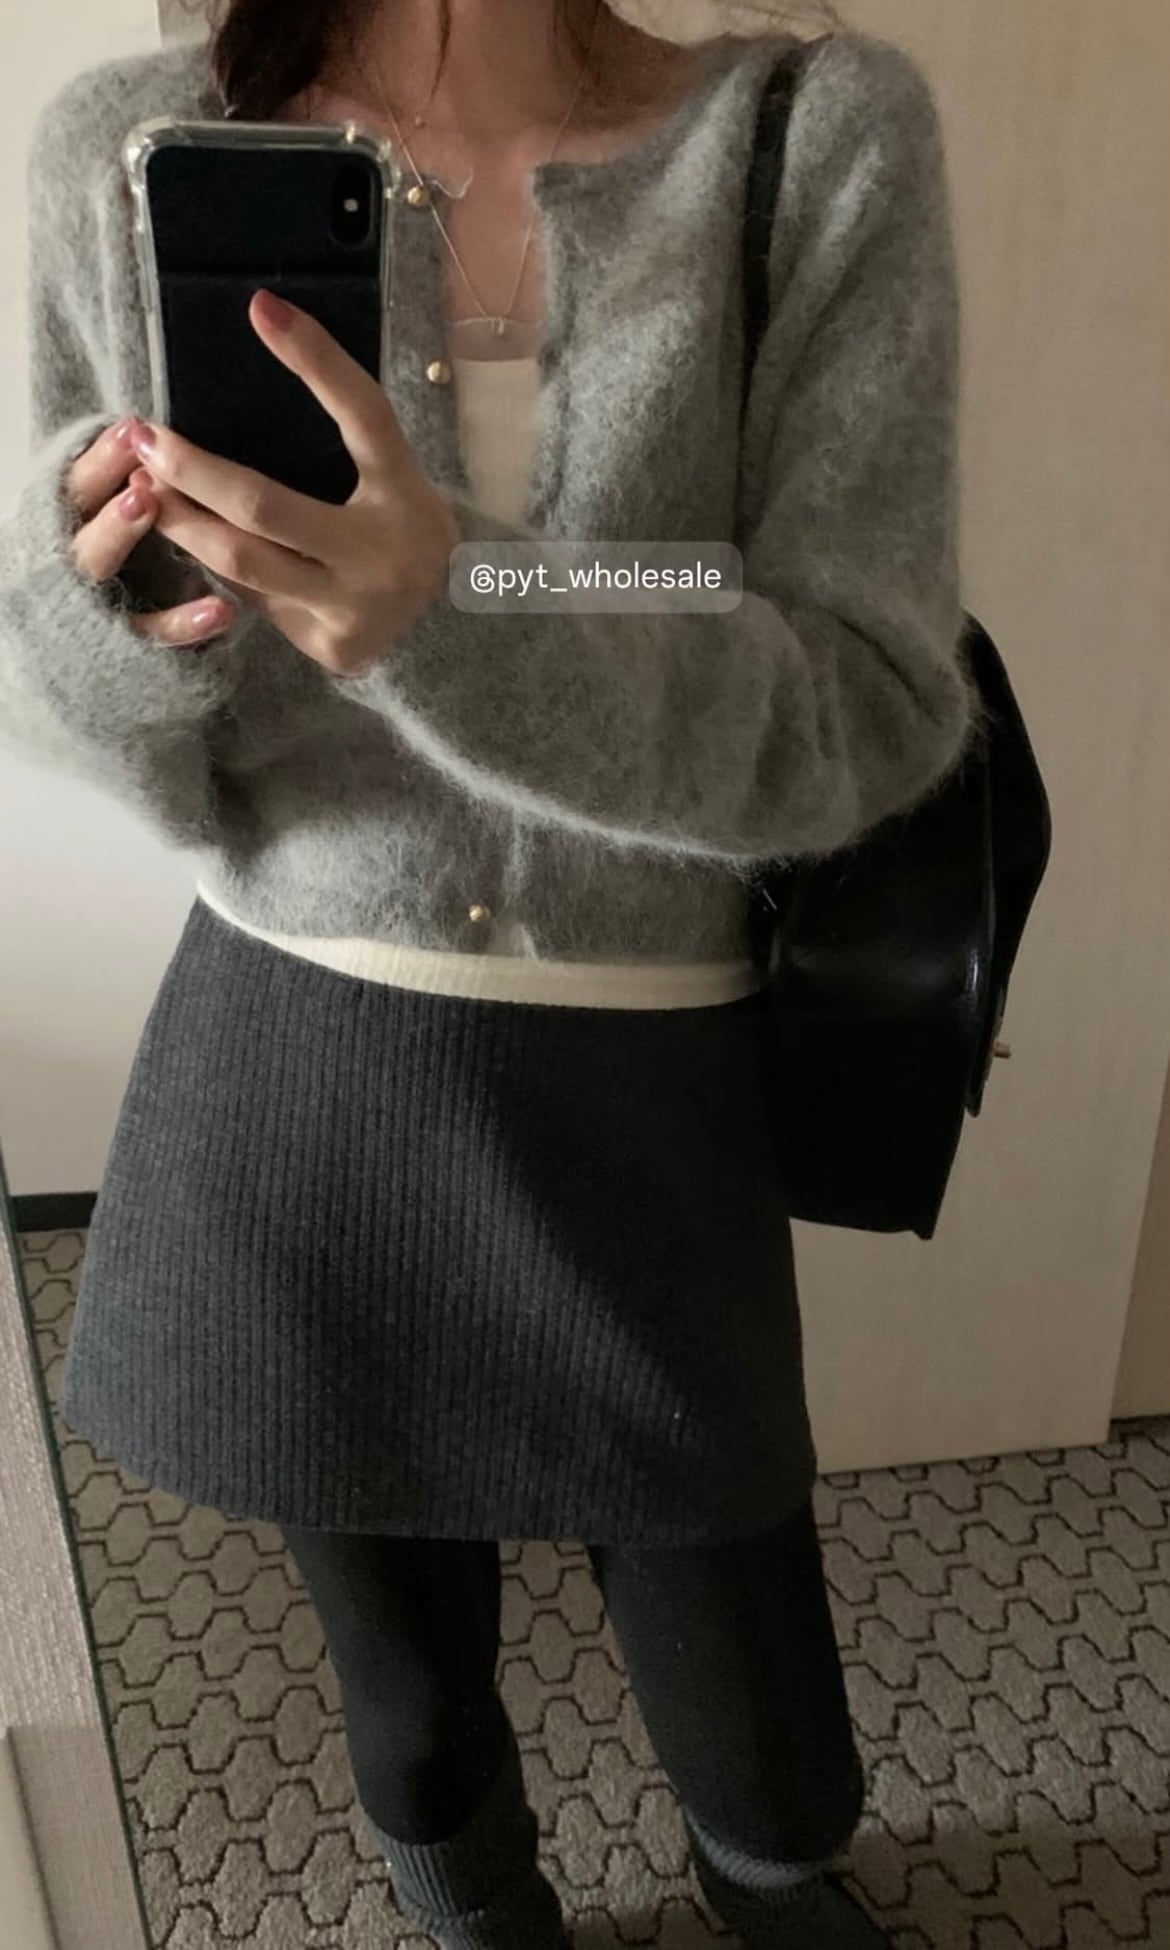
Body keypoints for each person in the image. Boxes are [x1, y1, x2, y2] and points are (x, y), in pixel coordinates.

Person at [0, 2, 979, 1943]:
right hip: (291, 1059)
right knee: (406, 1687)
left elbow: (861, 691)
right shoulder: (125, 149)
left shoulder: (807, 133)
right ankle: (473, 1911)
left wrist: (454, 602)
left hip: (647, 1087)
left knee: (755, 1713)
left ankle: (769, 1881)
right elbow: (61, 676)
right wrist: (99, 603)